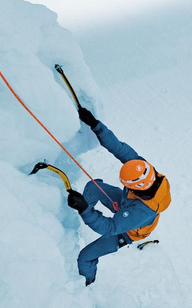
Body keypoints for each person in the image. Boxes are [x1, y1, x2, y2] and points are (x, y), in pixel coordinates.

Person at [66, 107, 171, 285]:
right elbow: (120, 149)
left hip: (127, 231)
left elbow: (110, 227)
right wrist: (95, 125)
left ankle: (84, 286)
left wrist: (84, 209)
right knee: (93, 187)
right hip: (127, 205)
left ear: (137, 187)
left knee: (85, 257)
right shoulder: (144, 170)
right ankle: (73, 220)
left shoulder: (142, 211)